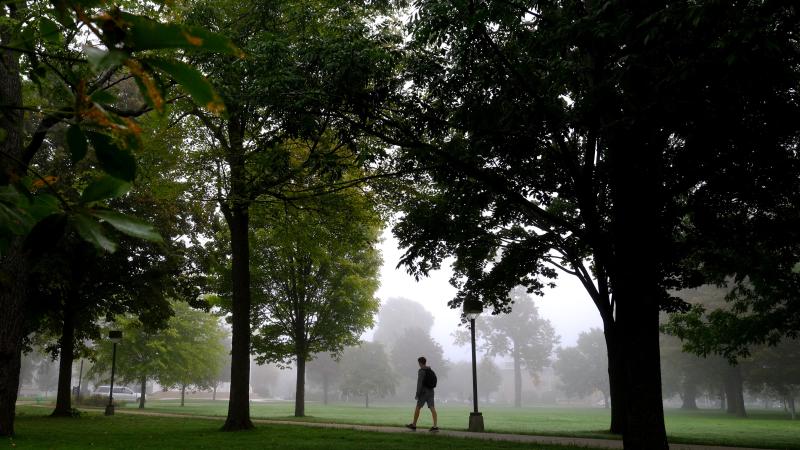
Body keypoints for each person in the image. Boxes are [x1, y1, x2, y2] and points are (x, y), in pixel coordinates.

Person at [405, 356, 438, 432]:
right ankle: (435, 426)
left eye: (418, 363)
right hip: (431, 391)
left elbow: (419, 383)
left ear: (420, 363)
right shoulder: (430, 370)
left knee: (418, 407)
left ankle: (414, 425)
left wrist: (417, 394)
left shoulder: (421, 371)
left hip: (423, 392)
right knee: (432, 408)